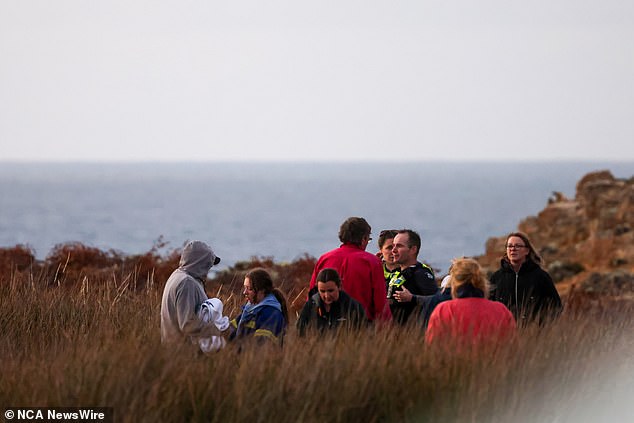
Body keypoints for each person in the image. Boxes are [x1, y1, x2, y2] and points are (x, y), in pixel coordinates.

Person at [308, 217, 391, 322]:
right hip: (361, 326)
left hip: (326, 325)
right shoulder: (372, 262)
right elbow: (380, 304)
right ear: (363, 238)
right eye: (368, 239)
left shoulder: (324, 259)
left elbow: (312, 296)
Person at [425, 258, 516, 346]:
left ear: (453, 282)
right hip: (494, 360)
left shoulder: (443, 310)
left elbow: (432, 346)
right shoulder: (501, 310)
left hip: (454, 361)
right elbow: (512, 345)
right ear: (482, 280)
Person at [160, 240, 226, 348]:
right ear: (200, 263)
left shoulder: (177, 275)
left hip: (172, 349)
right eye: (208, 264)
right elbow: (187, 324)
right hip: (182, 353)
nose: (209, 269)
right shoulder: (187, 283)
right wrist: (218, 330)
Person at [489, 232, 563, 326]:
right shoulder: (496, 278)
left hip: (534, 335)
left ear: (527, 251)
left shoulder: (541, 277)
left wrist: (542, 327)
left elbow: (556, 307)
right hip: (504, 335)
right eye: (509, 246)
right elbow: (488, 307)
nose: (513, 249)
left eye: (518, 246)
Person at [297, 268, 367, 336]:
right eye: (322, 291)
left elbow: (365, 334)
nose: (327, 296)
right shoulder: (310, 306)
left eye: (331, 291)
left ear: (339, 286)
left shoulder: (353, 307)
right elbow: (300, 333)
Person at [229, 268, 288, 346]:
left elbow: (260, 348)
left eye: (249, 289)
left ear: (262, 290)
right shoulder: (250, 309)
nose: (244, 292)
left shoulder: (271, 314)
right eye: (245, 287)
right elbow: (230, 333)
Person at [390, 229, 438, 325]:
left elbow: (436, 301)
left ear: (413, 249)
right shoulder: (396, 272)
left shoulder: (421, 273)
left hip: (412, 333)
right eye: (393, 246)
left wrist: (412, 298)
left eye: (399, 246)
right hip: (391, 333)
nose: (393, 250)